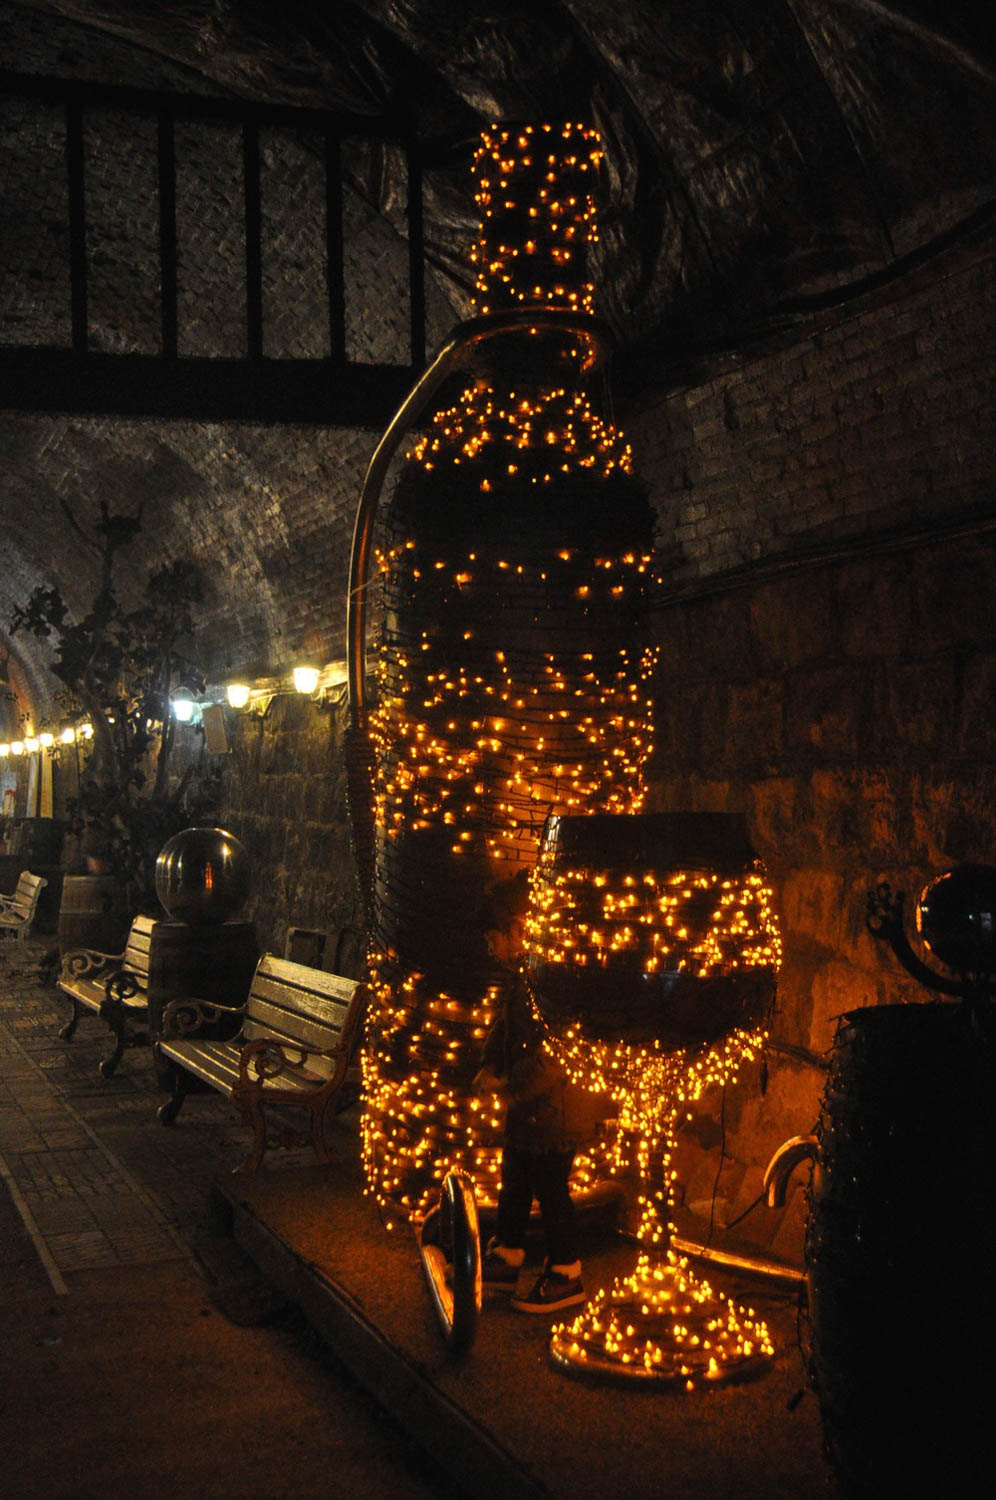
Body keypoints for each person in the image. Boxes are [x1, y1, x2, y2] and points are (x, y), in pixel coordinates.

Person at [473, 868, 602, 1314]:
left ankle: (567, 1271)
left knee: (550, 1189)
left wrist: (510, 1087)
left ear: (520, 928)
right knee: (514, 1182)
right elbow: (505, 1026)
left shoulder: (554, 980)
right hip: (533, 1112)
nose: (490, 949)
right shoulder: (524, 977)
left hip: (557, 1111)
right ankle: (506, 1256)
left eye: (494, 937)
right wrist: (490, 1061)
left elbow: (558, 1053)